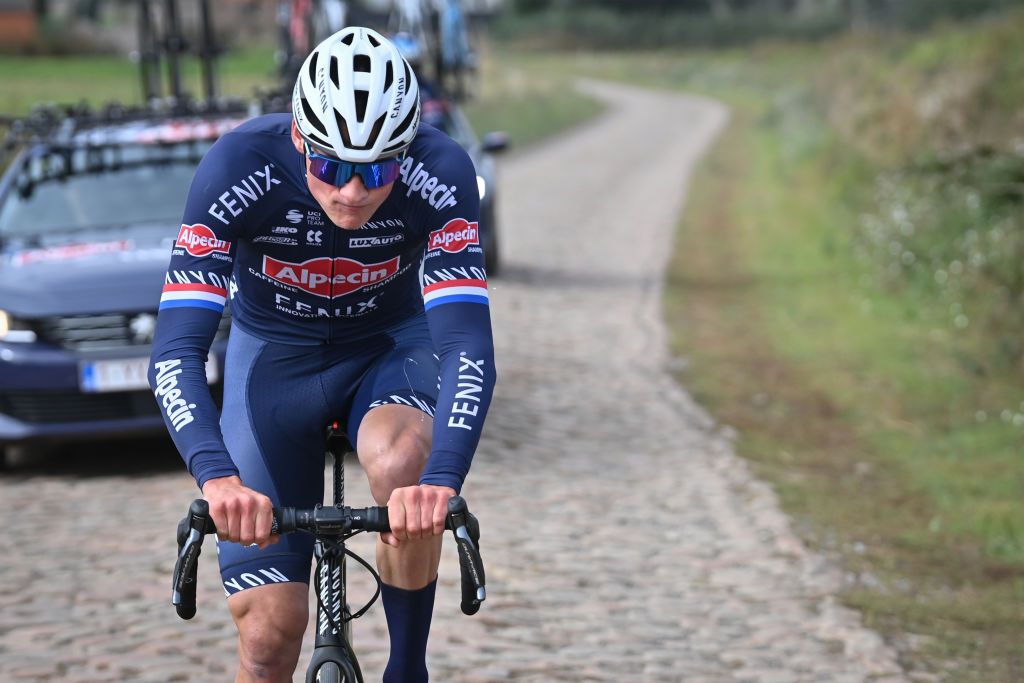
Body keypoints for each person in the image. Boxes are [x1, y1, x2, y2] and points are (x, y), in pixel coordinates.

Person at [149, 26, 496, 683]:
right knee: (269, 636)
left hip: (389, 346)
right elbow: (175, 350)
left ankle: (407, 669)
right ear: (301, 139)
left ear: (405, 149)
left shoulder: (441, 170)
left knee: (402, 462)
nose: (353, 191)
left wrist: (442, 481)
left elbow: (467, 345)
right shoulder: (238, 166)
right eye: (331, 167)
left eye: (376, 170)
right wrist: (218, 478)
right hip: (274, 361)